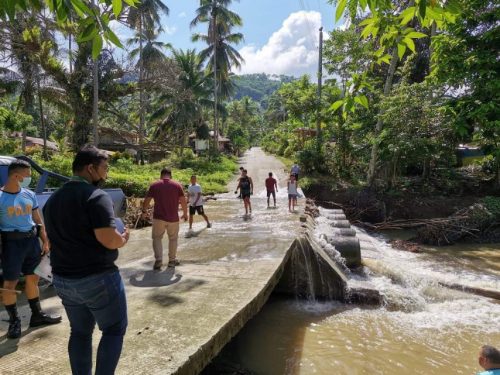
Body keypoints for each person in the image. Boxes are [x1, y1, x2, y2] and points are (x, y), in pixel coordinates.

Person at [43, 145, 129, 374]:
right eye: (104, 168)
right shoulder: (96, 197)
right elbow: (108, 239)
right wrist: (122, 239)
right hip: (97, 278)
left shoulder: (54, 199)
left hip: (63, 279)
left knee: (80, 332)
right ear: (91, 169)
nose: (106, 173)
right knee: (113, 330)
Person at [0, 159, 61, 339]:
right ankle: (14, 322)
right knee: (9, 284)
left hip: (31, 241)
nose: (29, 179)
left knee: (33, 278)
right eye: (27, 176)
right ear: (16, 176)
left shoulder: (29, 194)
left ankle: (37, 315)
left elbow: (38, 220)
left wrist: (45, 241)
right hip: (11, 244)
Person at [142, 167, 188, 269]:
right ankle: (172, 261)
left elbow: (147, 200)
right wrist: (185, 214)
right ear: (170, 175)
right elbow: (183, 201)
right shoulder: (177, 185)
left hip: (158, 217)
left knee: (157, 238)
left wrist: (144, 211)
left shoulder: (154, 185)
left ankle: (158, 260)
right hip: (173, 218)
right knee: (173, 239)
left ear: (161, 175)